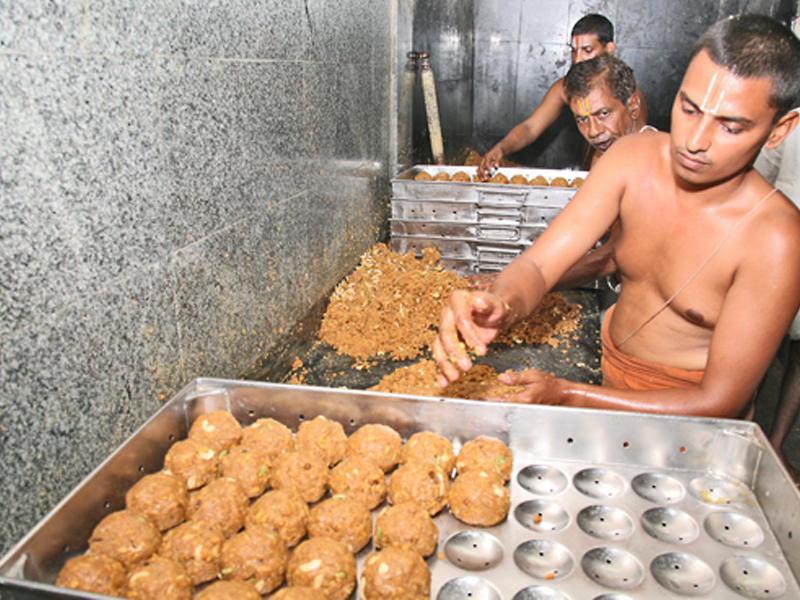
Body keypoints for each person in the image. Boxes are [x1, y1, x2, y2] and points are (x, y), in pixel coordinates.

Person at [433, 14, 800, 421]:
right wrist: (500, 302)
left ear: (780, 129)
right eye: (689, 109)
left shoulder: (776, 238)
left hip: (693, 422)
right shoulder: (629, 159)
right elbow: (539, 264)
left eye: (730, 127)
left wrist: (570, 394)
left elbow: (720, 399)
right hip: (611, 381)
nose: (695, 142)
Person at [477, 13, 647, 180]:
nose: (578, 60)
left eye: (587, 51)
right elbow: (530, 127)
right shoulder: (565, 87)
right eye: (574, 51)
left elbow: (634, 151)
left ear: (609, 49)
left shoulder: (625, 95)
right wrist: (501, 148)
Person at [753, 109, 800, 479]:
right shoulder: (793, 126)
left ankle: (778, 441)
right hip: (773, 258)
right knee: (759, 347)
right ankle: (751, 429)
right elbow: (757, 181)